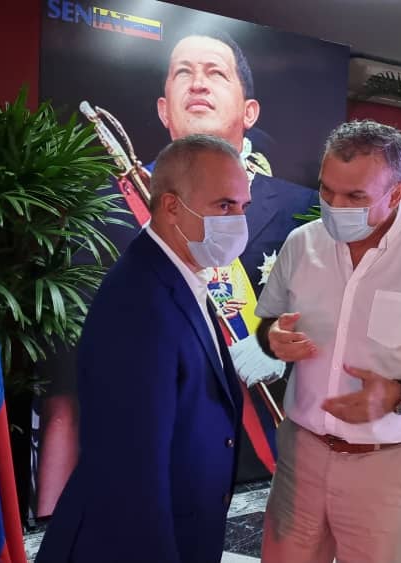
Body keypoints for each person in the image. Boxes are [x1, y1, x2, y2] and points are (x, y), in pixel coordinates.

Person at [34, 29, 318, 517]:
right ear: (164, 109)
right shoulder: (103, 210)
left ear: (250, 111)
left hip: (270, 472)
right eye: (183, 72)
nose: (198, 83)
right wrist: (49, 518)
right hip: (142, 477)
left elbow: (328, 332)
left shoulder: (302, 210)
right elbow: (67, 386)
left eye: (216, 73)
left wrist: (273, 345)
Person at [255, 120, 401, 563]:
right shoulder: (301, 244)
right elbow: (267, 323)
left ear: (396, 193)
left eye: (355, 197)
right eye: (327, 191)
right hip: (301, 455)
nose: (335, 207)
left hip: (389, 467)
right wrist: (272, 337)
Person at [35, 134, 250, 562]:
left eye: (243, 206)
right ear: (171, 206)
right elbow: (132, 470)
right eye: (225, 206)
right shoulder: (139, 302)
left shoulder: (180, 275)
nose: (239, 221)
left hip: (186, 529)